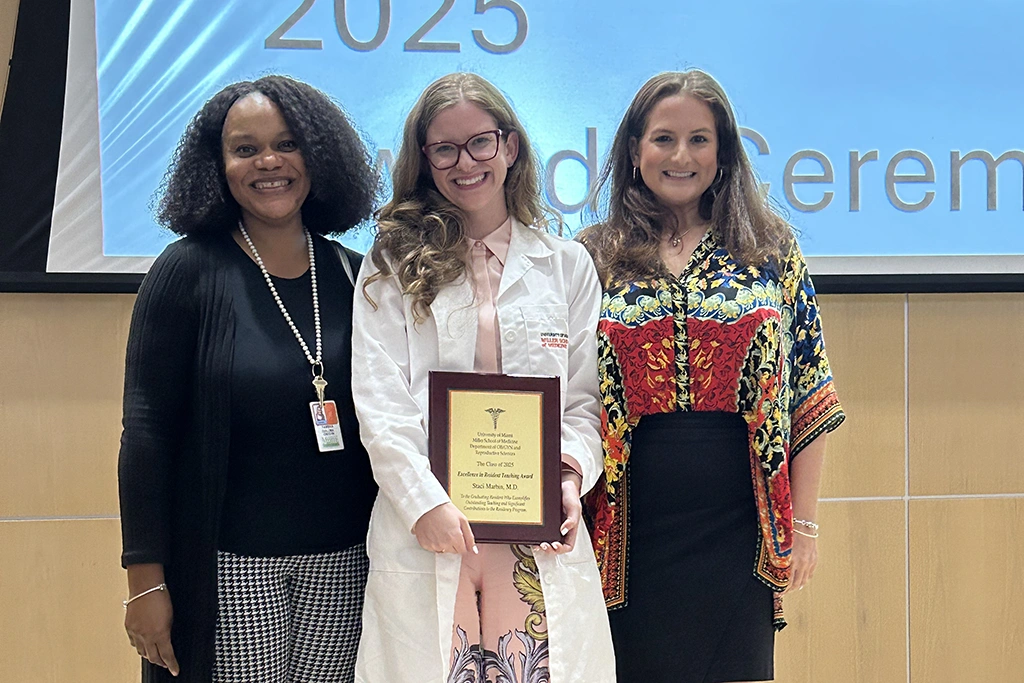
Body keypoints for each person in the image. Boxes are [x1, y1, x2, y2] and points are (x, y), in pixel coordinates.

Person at [579, 70, 846, 683]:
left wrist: (802, 526)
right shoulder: (592, 254)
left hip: (739, 523)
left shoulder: (770, 249)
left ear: (723, 151)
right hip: (625, 523)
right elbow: (569, 390)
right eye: (663, 138)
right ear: (633, 149)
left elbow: (811, 391)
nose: (681, 155)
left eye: (699, 139)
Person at [351, 72, 615, 683]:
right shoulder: (391, 263)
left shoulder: (567, 265)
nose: (463, 163)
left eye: (480, 143)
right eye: (443, 148)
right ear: (423, 160)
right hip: (429, 530)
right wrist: (423, 505)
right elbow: (379, 398)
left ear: (511, 147)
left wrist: (569, 481)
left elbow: (583, 402)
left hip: (532, 538)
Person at [118, 75, 379, 683]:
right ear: (218, 164)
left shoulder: (355, 275)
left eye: (287, 144)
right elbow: (146, 433)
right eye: (245, 148)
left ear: (318, 156)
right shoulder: (186, 271)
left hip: (345, 564)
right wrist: (144, 581)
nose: (269, 162)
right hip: (230, 569)